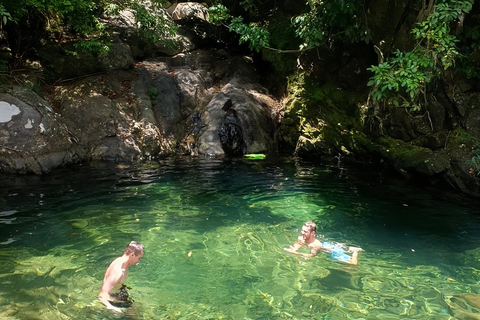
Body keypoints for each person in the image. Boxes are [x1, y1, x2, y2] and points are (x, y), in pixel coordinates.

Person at [284, 221, 362, 265]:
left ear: (312, 233)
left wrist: (297, 254)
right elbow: (296, 246)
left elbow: (312, 256)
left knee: (353, 264)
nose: (302, 232)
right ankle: (350, 250)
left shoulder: (316, 244)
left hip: (329, 250)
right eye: (302, 230)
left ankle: (355, 252)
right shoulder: (301, 238)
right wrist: (293, 250)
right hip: (325, 245)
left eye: (305, 231)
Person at [99, 241, 144, 312]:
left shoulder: (120, 261)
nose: (138, 261)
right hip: (114, 298)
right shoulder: (118, 271)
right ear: (132, 255)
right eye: (139, 258)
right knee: (134, 314)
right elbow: (102, 294)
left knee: (136, 311)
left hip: (119, 292)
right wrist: (112, 307)